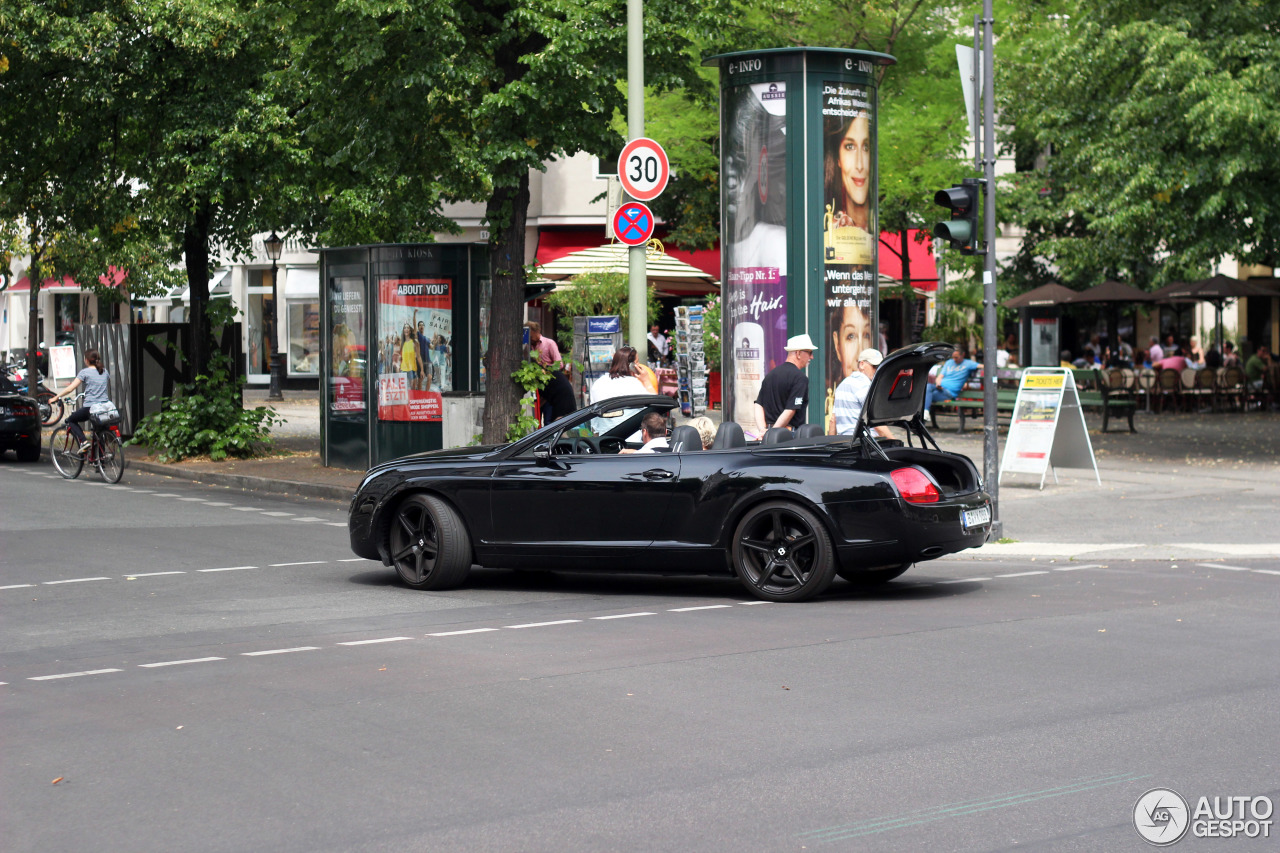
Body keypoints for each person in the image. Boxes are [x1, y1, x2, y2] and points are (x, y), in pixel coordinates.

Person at [754, 333, 817, 432]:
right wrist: (772, 433)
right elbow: (790, 409)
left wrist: (763, 431)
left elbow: (758, 404)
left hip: (770, 433)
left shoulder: (770, 375)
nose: (812, 357)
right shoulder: (800, 378)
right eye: (810, 352)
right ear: (798, 353)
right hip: (789, 436)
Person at [53, 348, 110, 452]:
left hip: (91, 408)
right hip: (105, 407)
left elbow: (70, 388)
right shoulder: (104, 371)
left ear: (86, 360)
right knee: (99, 432)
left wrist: (56, 397)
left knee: (70, 420)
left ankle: (83, 441)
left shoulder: (85, 372)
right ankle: (100, 463)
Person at [832, 348, 893, 438]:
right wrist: (894, 441)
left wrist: (831, 444)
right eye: (874, 366)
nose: (877, 370)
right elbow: (877, 424)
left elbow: (833, 420)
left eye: (880, 367)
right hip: (865, 444)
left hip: (845, 443)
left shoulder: (841, 385)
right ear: (862, 364)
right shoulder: (865, 386)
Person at [824, 114, 871, 231]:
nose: (860, 166)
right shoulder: (827, 225)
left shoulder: (874, 225)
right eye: (850, 146)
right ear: (838, 158)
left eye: (866, 147)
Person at [925, 346, 980, 414]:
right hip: (940, 388)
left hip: (949, 393)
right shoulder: (949, 362)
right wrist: (938, 384)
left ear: (963, 355)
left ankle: (925, 413)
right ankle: (925, 413)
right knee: (927, 387)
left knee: (926, 396)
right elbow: (939, 377)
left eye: (956, 357)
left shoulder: (968, 363)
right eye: (953, 357)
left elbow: (982, 366)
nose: (954, 359)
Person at [399, 324, 419, 389]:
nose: (406, 329)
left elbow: (418, 356)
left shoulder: (414, 342)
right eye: (405, 328)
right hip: (403, 369)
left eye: (408, 328)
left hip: (411, 369)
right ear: (403, 330)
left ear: (410, 331)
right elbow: (400, 356)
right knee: (403, 389)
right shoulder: (402, 343)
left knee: (412, 389)